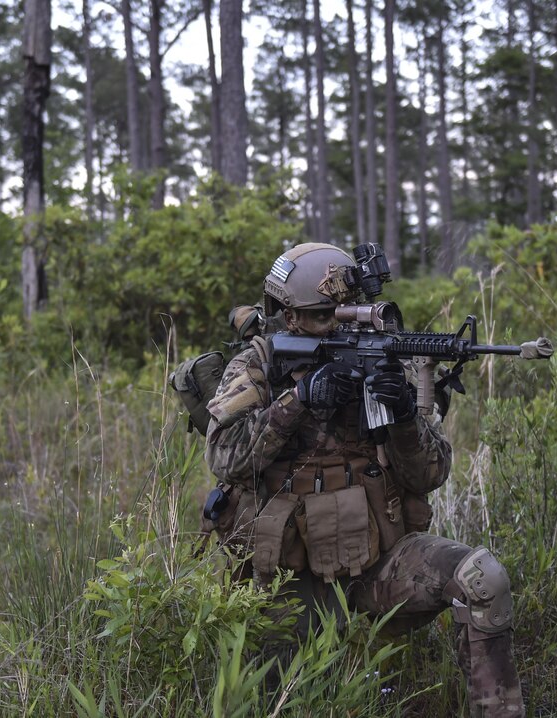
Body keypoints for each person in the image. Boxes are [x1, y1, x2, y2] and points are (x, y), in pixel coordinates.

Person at [204, 243, 523, 716]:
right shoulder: (259, 363)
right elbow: (224, 457)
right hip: (290, 576)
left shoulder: (384, 356)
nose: (342, 324)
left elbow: (431, 474)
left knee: (481, 579)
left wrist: (404, 415)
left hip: (377, 564)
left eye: (350, 312)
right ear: (290, 318)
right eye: (324, 316)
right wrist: (298, 400)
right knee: (288, 698)